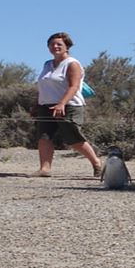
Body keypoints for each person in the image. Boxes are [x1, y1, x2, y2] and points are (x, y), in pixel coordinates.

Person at [33, 32, 101, 178]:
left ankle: (96, 163)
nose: (55, 47)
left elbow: (74, 86)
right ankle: (44, 168)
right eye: (52, 44)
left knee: (73, 138)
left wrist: (61, 103)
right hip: (46, 105)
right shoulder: (47, 64)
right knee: (44, 137)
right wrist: (36, 104)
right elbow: (43, 85)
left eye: (59, 44)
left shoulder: (72, 64)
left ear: (67, 47)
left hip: (69, 105)